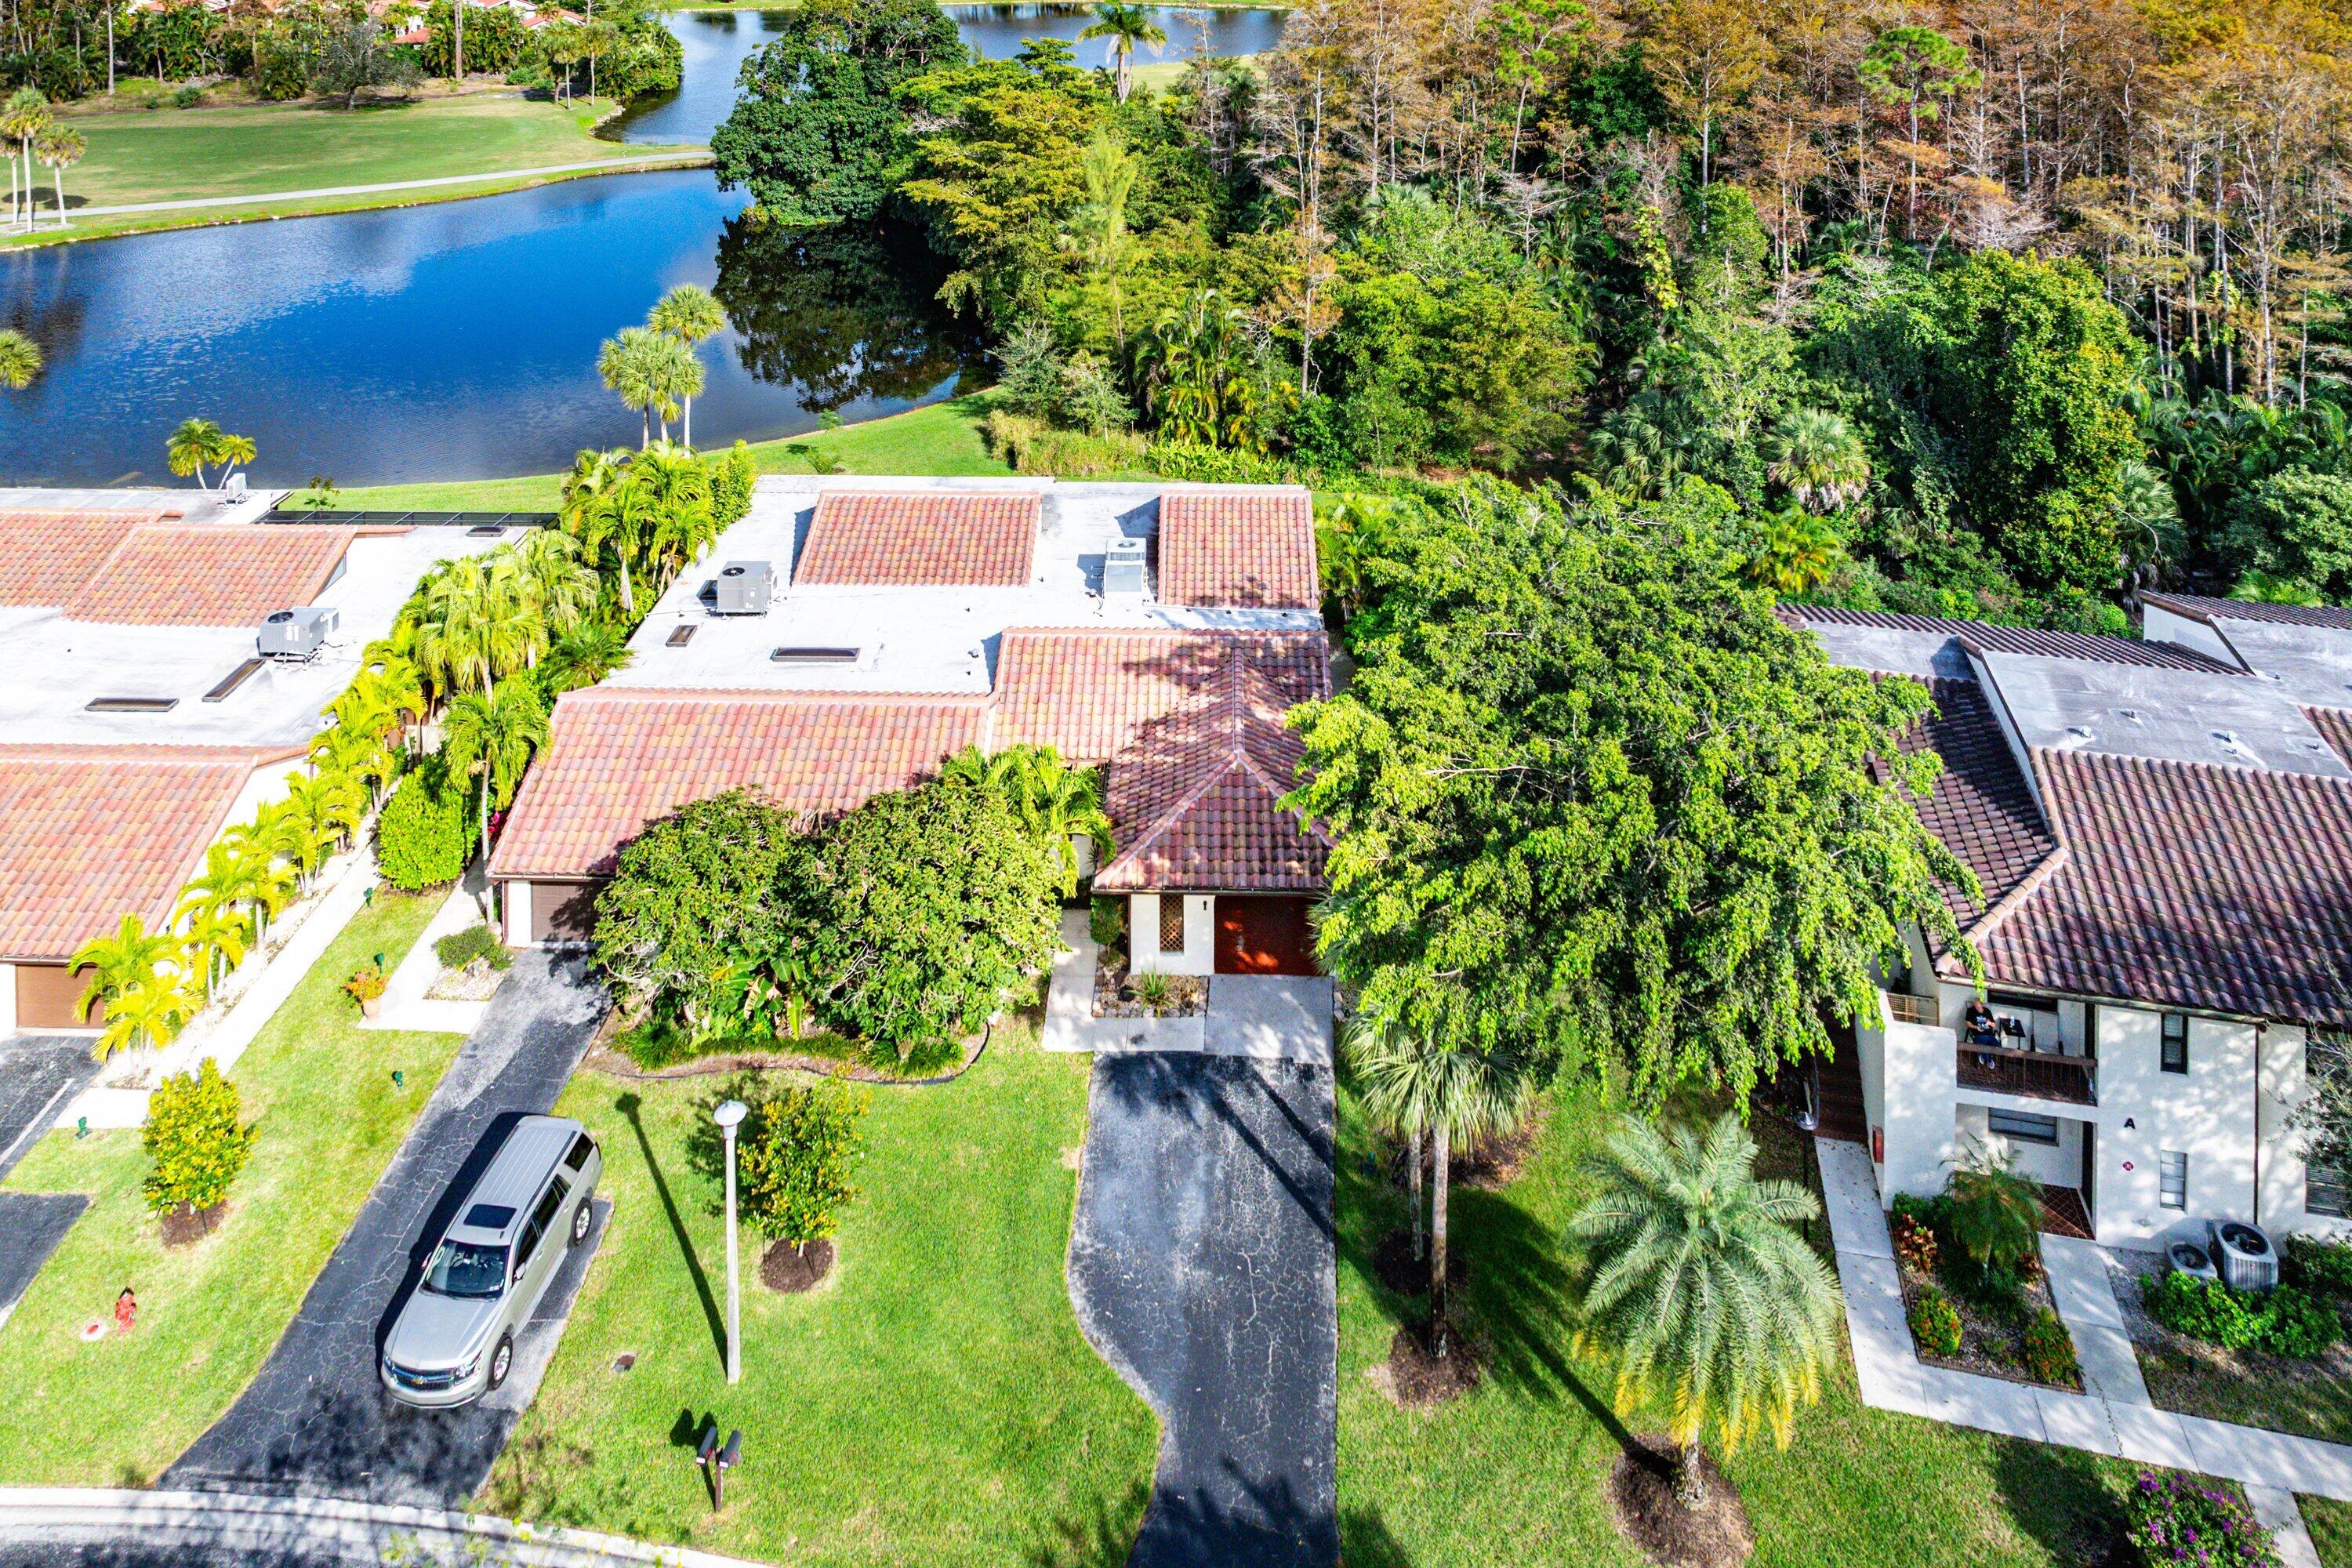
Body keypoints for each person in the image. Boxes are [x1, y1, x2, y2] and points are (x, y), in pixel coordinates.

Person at [1963, 998, 2002, 1067]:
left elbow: (1994, 1025)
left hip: (1990, 1035)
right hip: (1979, 1034)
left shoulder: (1987, 1011)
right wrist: (1976, 1027)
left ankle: (1985, 1056)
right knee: (1981, 1046)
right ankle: (1989, 1060)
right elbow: (1968, 1024)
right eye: (1977, 1007)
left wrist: (1990, 1023)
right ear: (1974, 1006)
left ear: (1982, 1005)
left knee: (1998, 1048)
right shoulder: (1970, 1011)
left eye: (1980, 1007)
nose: (1979, 1009)